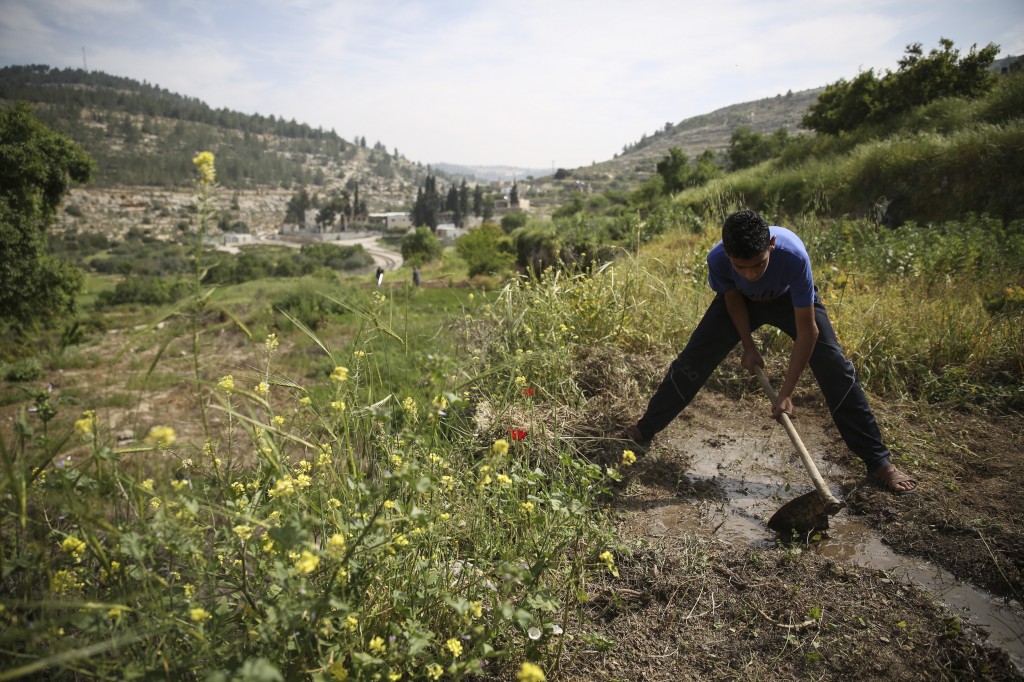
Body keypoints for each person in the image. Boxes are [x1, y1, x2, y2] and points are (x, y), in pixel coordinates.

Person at [620, 209, 916, 495]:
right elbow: (734, 299)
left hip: (788, 299)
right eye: (741, 267)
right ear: (727, 254)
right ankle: (645, 429)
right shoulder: (718, 259)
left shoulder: (793, 257)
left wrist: (786, 392)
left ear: (771, 246)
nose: (749, 275)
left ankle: (879, 463)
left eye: (759, 264)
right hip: (741, 304)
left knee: (835, 367)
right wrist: (747, 345)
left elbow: (807, 331)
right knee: (692, 361)